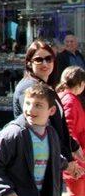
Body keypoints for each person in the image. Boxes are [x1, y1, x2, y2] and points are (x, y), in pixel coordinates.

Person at [12, 40, 84, 179]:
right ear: (29, 63)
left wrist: (73, 147)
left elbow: (58, 124)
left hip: (49, 159)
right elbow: (39, 131)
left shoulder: (45, 86)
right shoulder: (29, 88)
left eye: (48, 59)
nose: (45, 63)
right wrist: (65, 162)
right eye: (39, 59)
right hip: (37, 160)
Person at [57, 66, 85, 196]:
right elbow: (67, 132)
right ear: (81, 84)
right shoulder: (70, 100)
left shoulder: (66, 98)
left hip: (75, 157)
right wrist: (73, 161)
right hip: (74, 159)